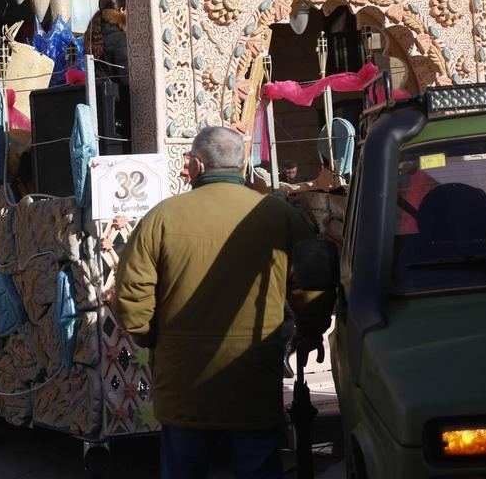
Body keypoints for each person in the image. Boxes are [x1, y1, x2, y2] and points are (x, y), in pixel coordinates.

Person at [113, 126, 331, 479]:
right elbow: (313, 285)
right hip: (253, 375)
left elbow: (131, 297)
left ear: (196, 165)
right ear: (242, 166)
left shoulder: (161, 218)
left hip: (183, 379)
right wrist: (310, 331)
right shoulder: (279, 215)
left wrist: (154, 339)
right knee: (257, 467)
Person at [82, 0, 128, 83]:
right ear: (121, 10)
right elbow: (124, 73)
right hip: (117, 90)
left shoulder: (94, 31)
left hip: (98, 88)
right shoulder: (119, 35)